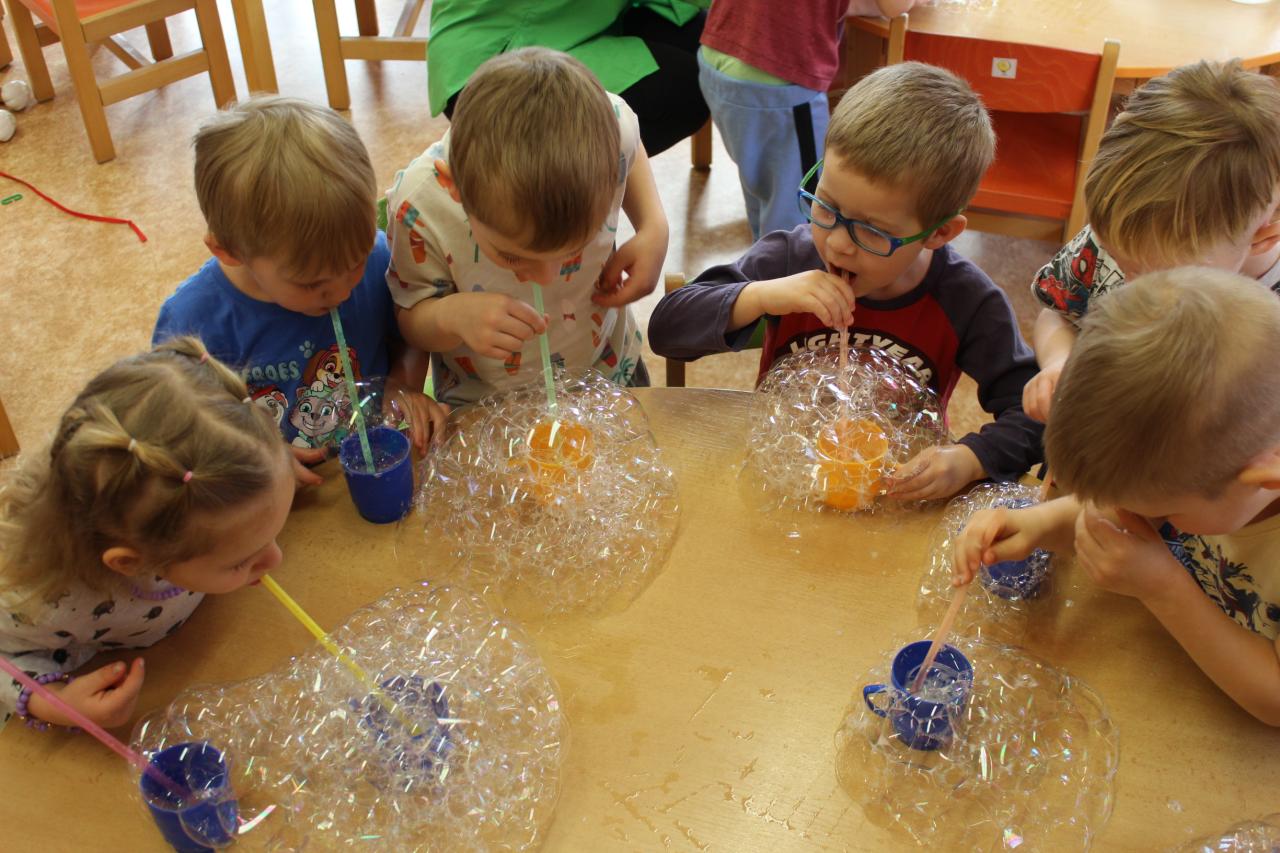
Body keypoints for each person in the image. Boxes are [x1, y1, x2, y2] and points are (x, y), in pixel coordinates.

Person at [648, 62, 1042, 501]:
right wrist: (761, 296)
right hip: (779, 484)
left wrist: (971, 459)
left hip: (893, 498)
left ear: (939, 233)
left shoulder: (967, 301)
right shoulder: (789, 258)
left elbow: (1037, 416)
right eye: (827, 206)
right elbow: (667, 331)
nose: (836, 244)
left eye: (871, 230)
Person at [953, 268, 1280, 725]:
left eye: (1164, 511)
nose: (1126, 512)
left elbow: (1274, 701)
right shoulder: (1211, 472)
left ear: (1265, 480)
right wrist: (1036, 525)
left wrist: (1163, 589)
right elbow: (1120, 513)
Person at [0, 339, 295, 730]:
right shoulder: (48, 602)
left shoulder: (209, 510)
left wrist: (269, 479)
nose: (275, 559)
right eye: (241, 560)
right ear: (132, 561)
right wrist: (53, 702)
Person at [152, 95, 444, 475]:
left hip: (374, 461)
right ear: (230, 251)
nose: (342, 292)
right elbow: (182, 435)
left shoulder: (376, 258)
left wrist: (402, 385)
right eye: (312, 284)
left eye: (354, 264)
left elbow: (408, 332)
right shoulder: (193, 323)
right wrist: (255, 457)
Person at [387, 48, 669, 407]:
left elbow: (630, 141)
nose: (546, 277)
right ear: (452, 186)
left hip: (609, 371)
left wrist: (653, 226)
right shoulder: (420, 206)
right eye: (512, 257)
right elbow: (409, 316)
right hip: (483, 404)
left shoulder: (608, 128)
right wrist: (450, 316)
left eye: (574, 250)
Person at [1024, 60, 1280, 422]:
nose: (1132, 285)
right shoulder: (1116, 242)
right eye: (1119, 260)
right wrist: (1058, 361)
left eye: (1160, 276)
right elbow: (1058, 313)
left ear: (1262, 236)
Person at [698, 0, 926, 240]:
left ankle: (764, 256)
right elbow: (895, 5)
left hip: (720, 54)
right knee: (803, 212)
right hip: (778, 80)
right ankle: (781, 261)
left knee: (766, 189)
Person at [427, 0, 708, 156]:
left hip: (568, 21)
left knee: (708, 42)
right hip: (493, 58)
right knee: (687, 91)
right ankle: (561, 201)